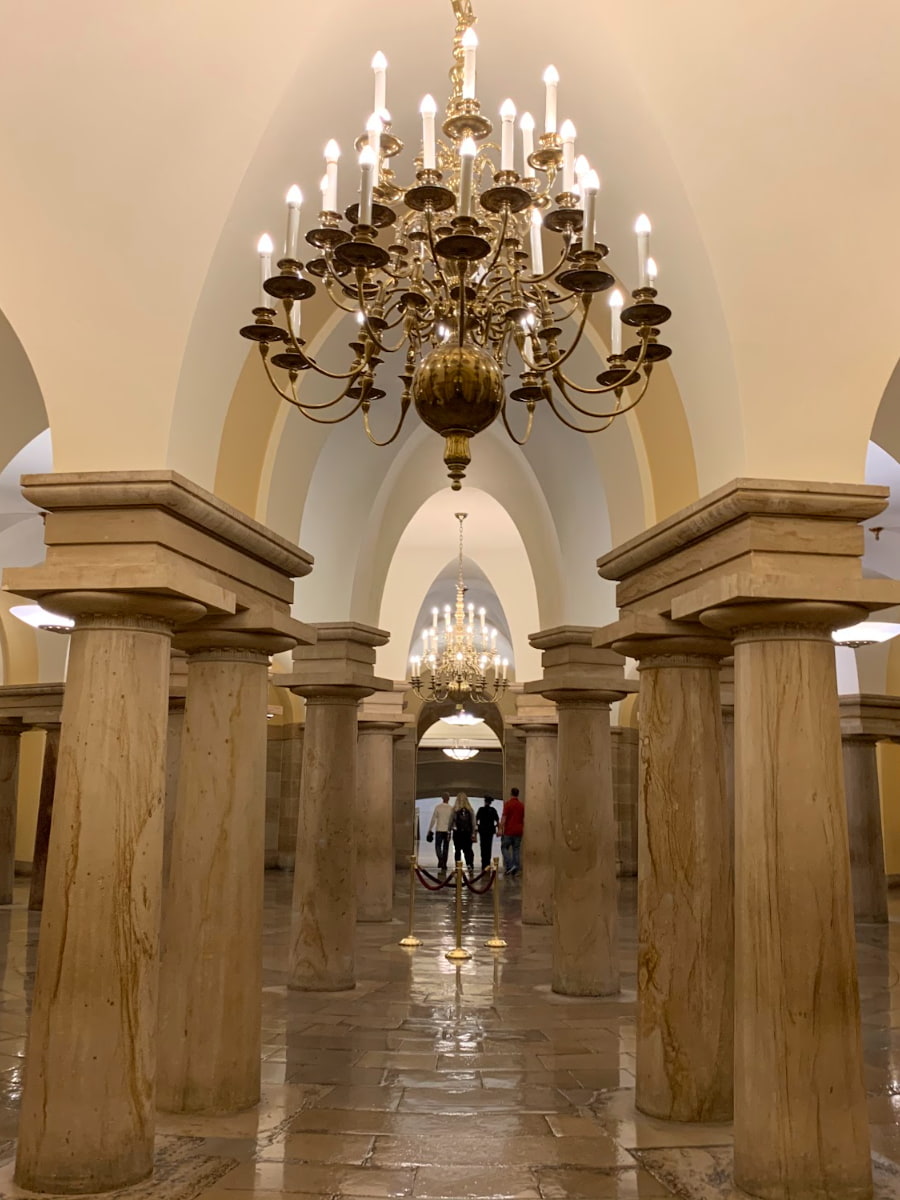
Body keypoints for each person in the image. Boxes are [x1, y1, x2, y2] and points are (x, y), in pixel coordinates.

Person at [499, 786, 525, 876]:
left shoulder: (508, 804)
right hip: (519, 831)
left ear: (511, 794)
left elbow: (504, 818)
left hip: (509, 831)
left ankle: (509, 865)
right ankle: (516, 868)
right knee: (516, 850)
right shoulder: (521, 805)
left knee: (504, 847)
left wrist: (500, 829)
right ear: (518, 794)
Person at [449, 792, 476, 871]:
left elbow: (451, 821)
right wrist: (473, 833)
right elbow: (473, 823)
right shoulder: (470, 810)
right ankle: (469, 864)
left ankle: (458, 866)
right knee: (468, 849)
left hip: (457, 833)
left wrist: (448, 831)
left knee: (457, 850)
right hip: (467, 833)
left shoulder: (454, 810)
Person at [428, 793, 454, 872]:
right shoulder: (451, 808)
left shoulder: (438, 807)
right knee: (446, 847)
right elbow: (452, 820)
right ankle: (444, 864)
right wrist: (451, 829)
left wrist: (430, 829)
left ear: (442, 798)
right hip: (447, 831)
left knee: (438, 846)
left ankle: (440, 859)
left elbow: (433, 819)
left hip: (439, 830)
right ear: (448, 799)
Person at [476, 795, 500, 871]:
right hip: (490, 831)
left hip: (482, 830)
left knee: (483, 846)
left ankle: (483, 863)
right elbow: (497, 820)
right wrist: (496, 827)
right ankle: (487, 863)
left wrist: (478, 826)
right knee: (489, 847)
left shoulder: (481, 809)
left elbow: (476, 819)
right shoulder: (493, 810)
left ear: (485, 801)